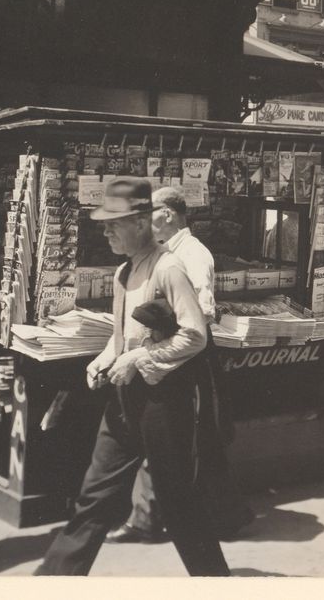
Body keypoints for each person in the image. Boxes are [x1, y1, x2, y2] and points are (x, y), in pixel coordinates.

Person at [37, 178, 228, 576]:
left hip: (165, 402)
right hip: (126, 400)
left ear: (142, 222)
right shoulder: (124, 272)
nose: (105, 230)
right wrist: (105, 360)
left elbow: (195, 335)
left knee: (177, 503)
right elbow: (120, 335)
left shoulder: (169, 267)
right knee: (93, 496)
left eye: (114, 223)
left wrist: (139, 357)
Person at [107, 188, 251, 545]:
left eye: (150, 212)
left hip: (186, 357)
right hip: (165, 355)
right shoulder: (159, 255)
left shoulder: (191, 254)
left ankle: (208, 520)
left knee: (194, 442)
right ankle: (165, 518)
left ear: (168, 214)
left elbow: (201, 312)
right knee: (177, 443)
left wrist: (154, 339)